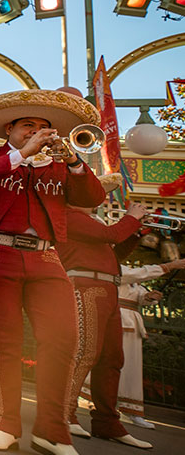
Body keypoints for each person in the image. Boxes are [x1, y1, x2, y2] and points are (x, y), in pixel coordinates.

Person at [0, 89, 106, 455]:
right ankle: (6, 425)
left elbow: (92, 198)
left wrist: (73, 160)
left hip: (45, 257)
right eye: (28, 126)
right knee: (3, 342)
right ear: (9, 128)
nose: (37, 132)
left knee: (62, 340)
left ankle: (52, 431)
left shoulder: (59, 163)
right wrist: (21, 155)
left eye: (44, 127)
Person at [55, 175, 152, 449]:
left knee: (112, 358)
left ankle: (107, 422)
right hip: (85, 286)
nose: (98, 199)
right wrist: (131, 219)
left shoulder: (92, 223)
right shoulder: (67, 216)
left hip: (108, 288)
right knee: (85, 353)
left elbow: (113, 255)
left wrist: (135, 231)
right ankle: (65, 412)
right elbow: (110, 235)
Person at [114, 259, 185, 428]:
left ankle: (131, 409)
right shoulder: (115, 267)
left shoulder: (134, 279)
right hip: (117, 319)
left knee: (132, 366)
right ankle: (92, 400)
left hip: (133, 322)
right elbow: (134, 274)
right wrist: (169, 266)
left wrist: (148, 297)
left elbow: (140, 294)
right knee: (112, 364)